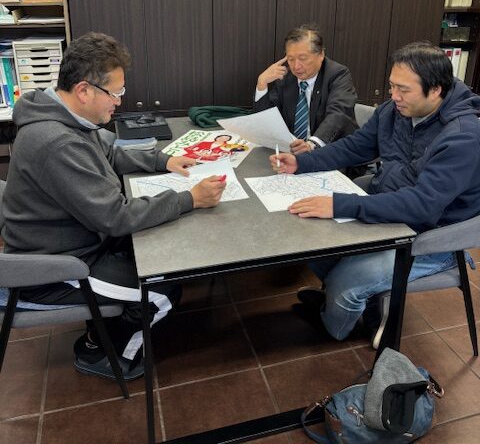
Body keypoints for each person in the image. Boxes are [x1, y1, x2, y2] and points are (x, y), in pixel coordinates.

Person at [1, 32, 226, 380]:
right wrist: (189, 199)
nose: (119, 102)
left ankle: (103, 330)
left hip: (78, 241)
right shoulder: (57, 142)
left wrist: (163, 161)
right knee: (161, 292)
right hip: (57, 268)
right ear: (84, 90)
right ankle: (106, 353)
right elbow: (115, 217)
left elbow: (110, 153)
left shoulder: (67, 117)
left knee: (162, 254)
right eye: (115, 93)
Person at [270, 41, 480, 342]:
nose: (393, 96)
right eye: (392, 86)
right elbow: (356, 146)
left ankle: (336, 326)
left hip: (433, 236)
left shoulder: (462, 137)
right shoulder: (395, 111)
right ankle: (367, 306)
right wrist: (302, 163)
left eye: (403, 89)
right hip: (390, 209)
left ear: (435, 90)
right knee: (314, 244)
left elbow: (422, 206)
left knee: (346, 282)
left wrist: (342, 205)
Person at [254, 24, 358, 155]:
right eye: (290, 59)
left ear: (321, 55)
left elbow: (338, 114)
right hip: (292, 154)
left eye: (302, 58)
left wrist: (312, 144)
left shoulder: (338, 74)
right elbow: (267, 121)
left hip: (332, 151)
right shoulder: (285, 77)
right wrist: (262, 84)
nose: (296, 66)